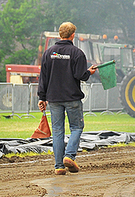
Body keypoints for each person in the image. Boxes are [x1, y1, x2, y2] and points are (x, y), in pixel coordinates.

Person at [38, 22, 98, 175]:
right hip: (72, 98)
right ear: (73, 35)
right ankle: (69, 156)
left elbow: (43, 77)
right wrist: (89, 72)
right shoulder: (77, 53)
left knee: (58, 131)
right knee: (77, 128)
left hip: (53, 98)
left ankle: (59, 166)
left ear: (59, 34)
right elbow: (80, 75)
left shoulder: (49, 53)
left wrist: (41, 97)